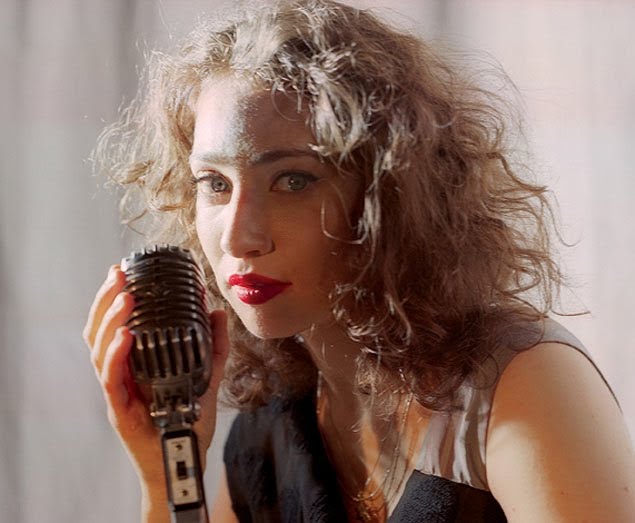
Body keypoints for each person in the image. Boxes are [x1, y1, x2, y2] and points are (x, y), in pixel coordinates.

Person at [83, 0, 635, 521]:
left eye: (292, 181)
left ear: (388, 193)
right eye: (215, 183)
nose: (238, 237)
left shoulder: (521, 383)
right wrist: (165, 478)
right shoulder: (267, 433)